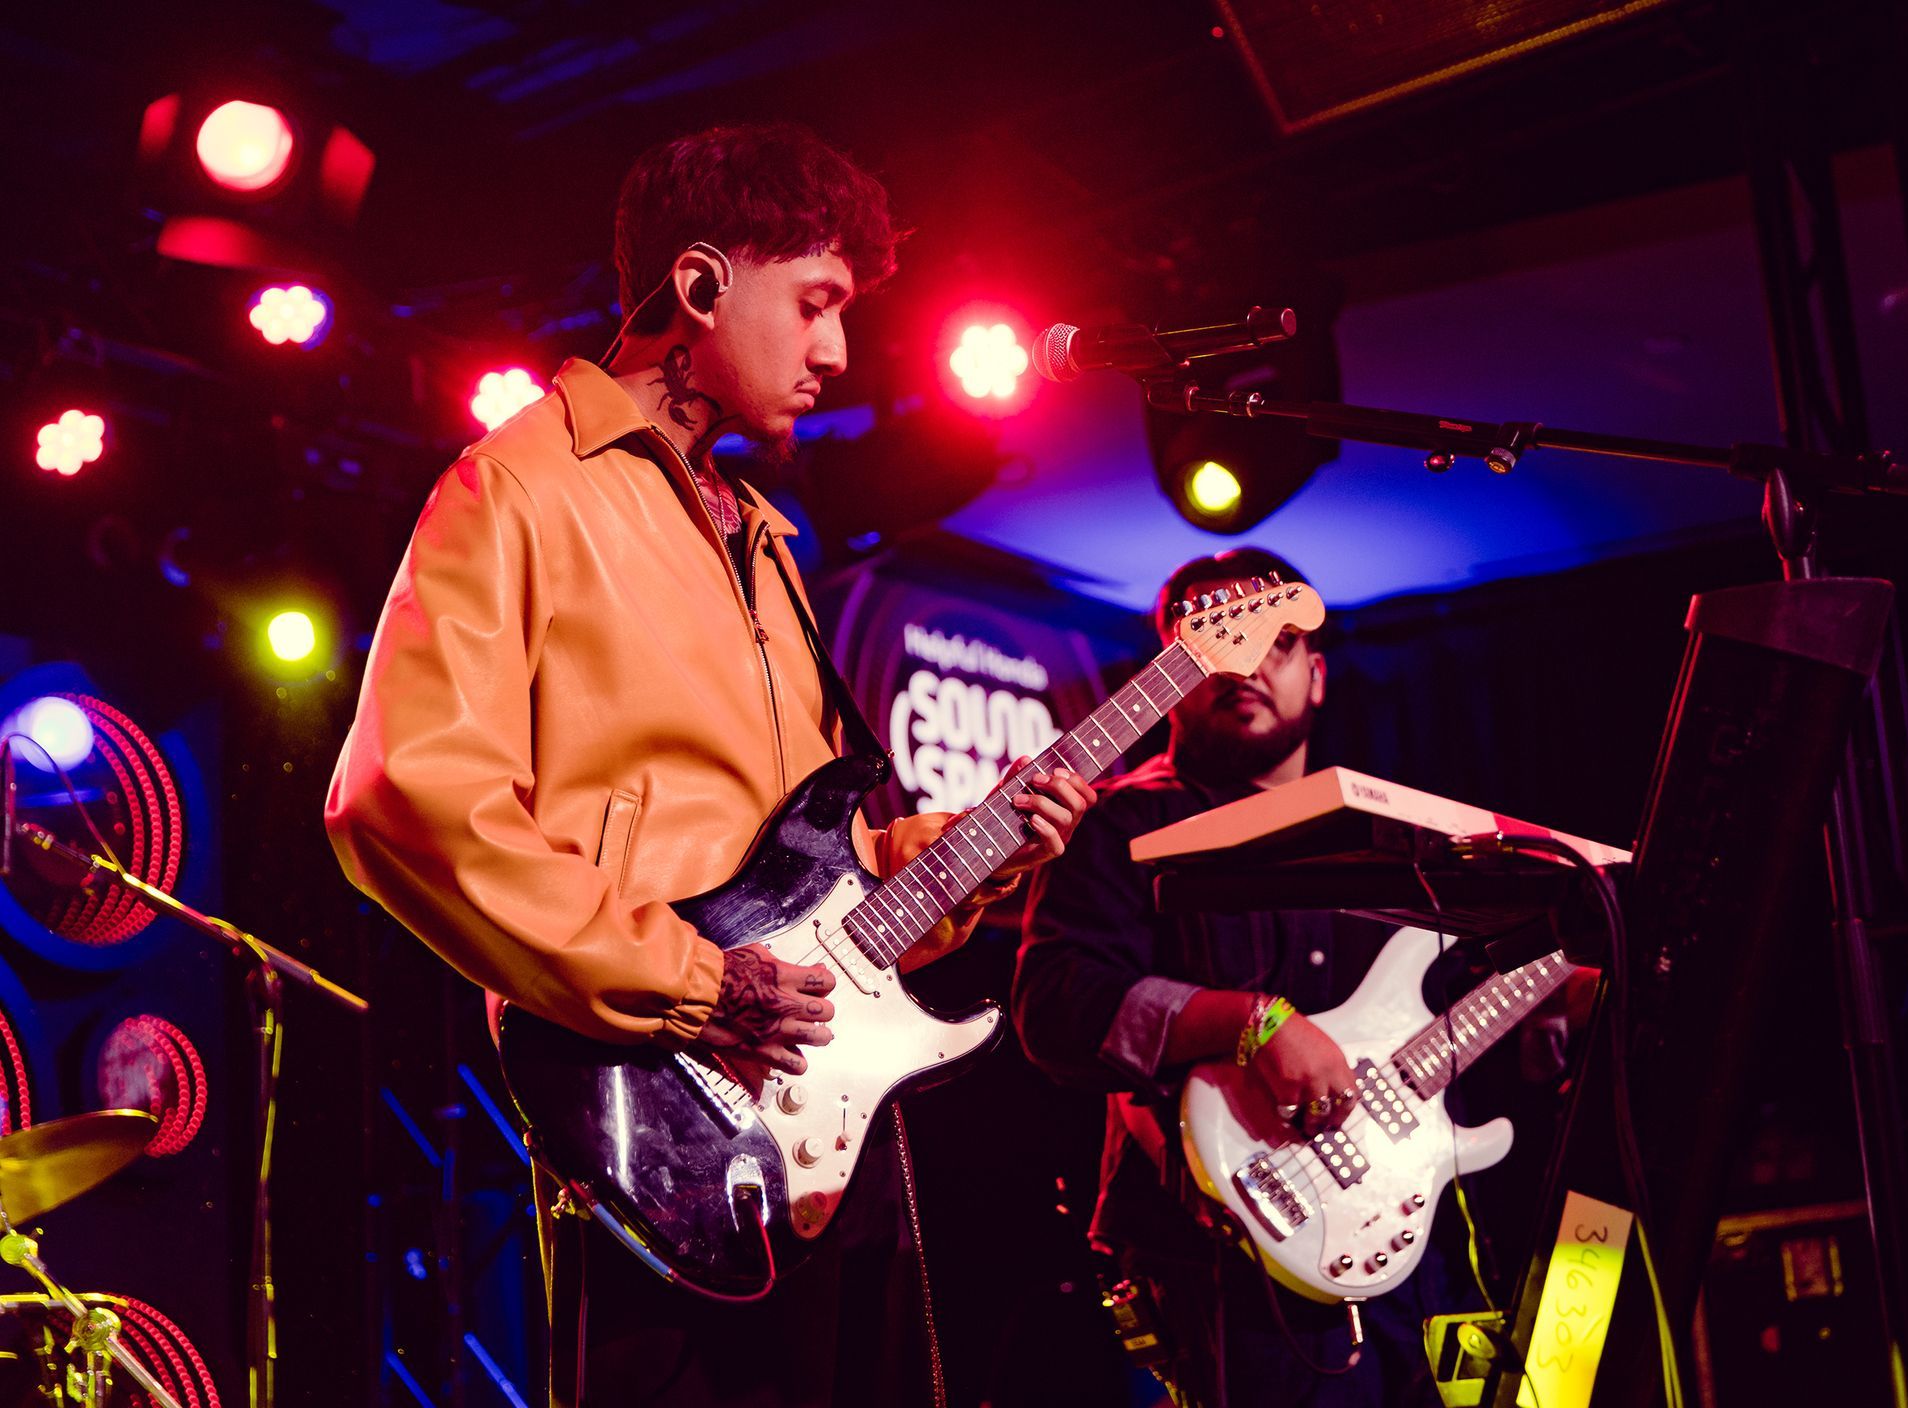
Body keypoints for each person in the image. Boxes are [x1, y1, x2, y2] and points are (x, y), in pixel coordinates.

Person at [325, 122, 1093, 1407]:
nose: (838, 351)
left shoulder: (768, 541)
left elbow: (818, 858)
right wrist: (692, 980)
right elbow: (400, 793)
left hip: (826, 1110)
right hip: (661, 1112)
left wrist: (971, 851)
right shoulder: (519, 486)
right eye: (814, 302)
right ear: (697, 287)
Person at [1012, 546, 1464, 1408]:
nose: (1247, 662)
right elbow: (1057, 1006)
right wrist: (1250, 1021)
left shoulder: (1381, 834)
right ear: (1169, 675)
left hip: (1402, 1255)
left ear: (1318, 674)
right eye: (1214, 644)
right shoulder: (1121, 824)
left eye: (1277, 641)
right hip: (1208, 1268)